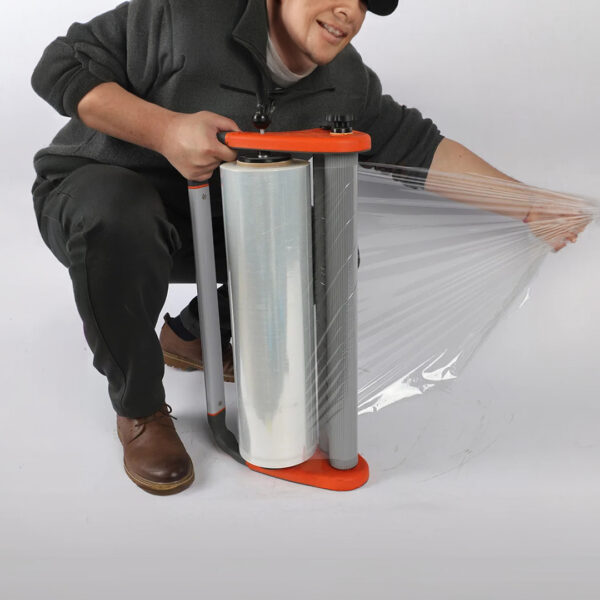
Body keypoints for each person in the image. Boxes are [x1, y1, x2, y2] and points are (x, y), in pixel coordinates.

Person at [31, 0, 588, 495]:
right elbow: (59, 65)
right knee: (120, 212)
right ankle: (140, 409)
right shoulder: (186, 15)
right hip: (99, 202)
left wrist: (528, 204)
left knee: (329, 246)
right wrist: (165, 130)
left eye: (363, 4)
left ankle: (193, 334)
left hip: (210, 220)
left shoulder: (346, 82)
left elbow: (420, 147)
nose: (350, 11)